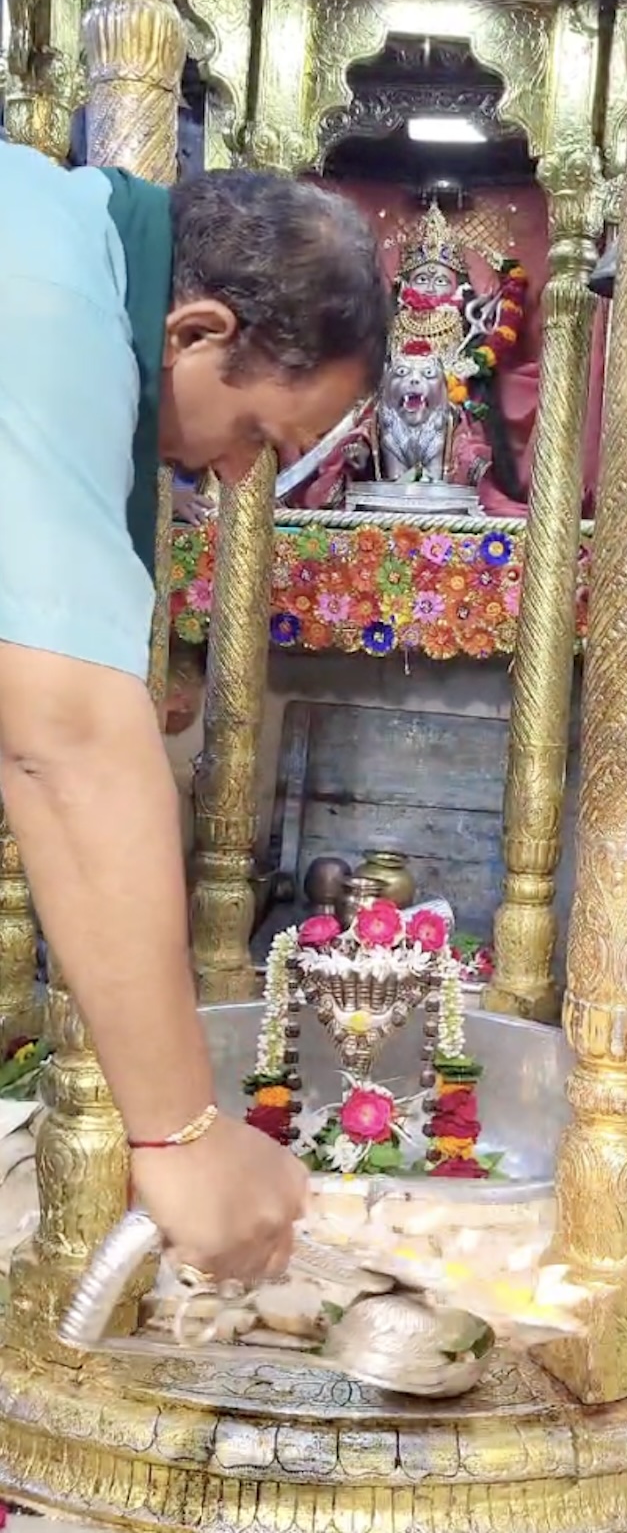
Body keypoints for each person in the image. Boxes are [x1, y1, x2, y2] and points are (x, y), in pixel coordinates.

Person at [0, 141, 390, 1286]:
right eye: (260, 434)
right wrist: (179, 1133)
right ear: (198, 331)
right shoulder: (50, 298)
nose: (231, 476)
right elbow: (60, 741)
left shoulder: (46, 227)